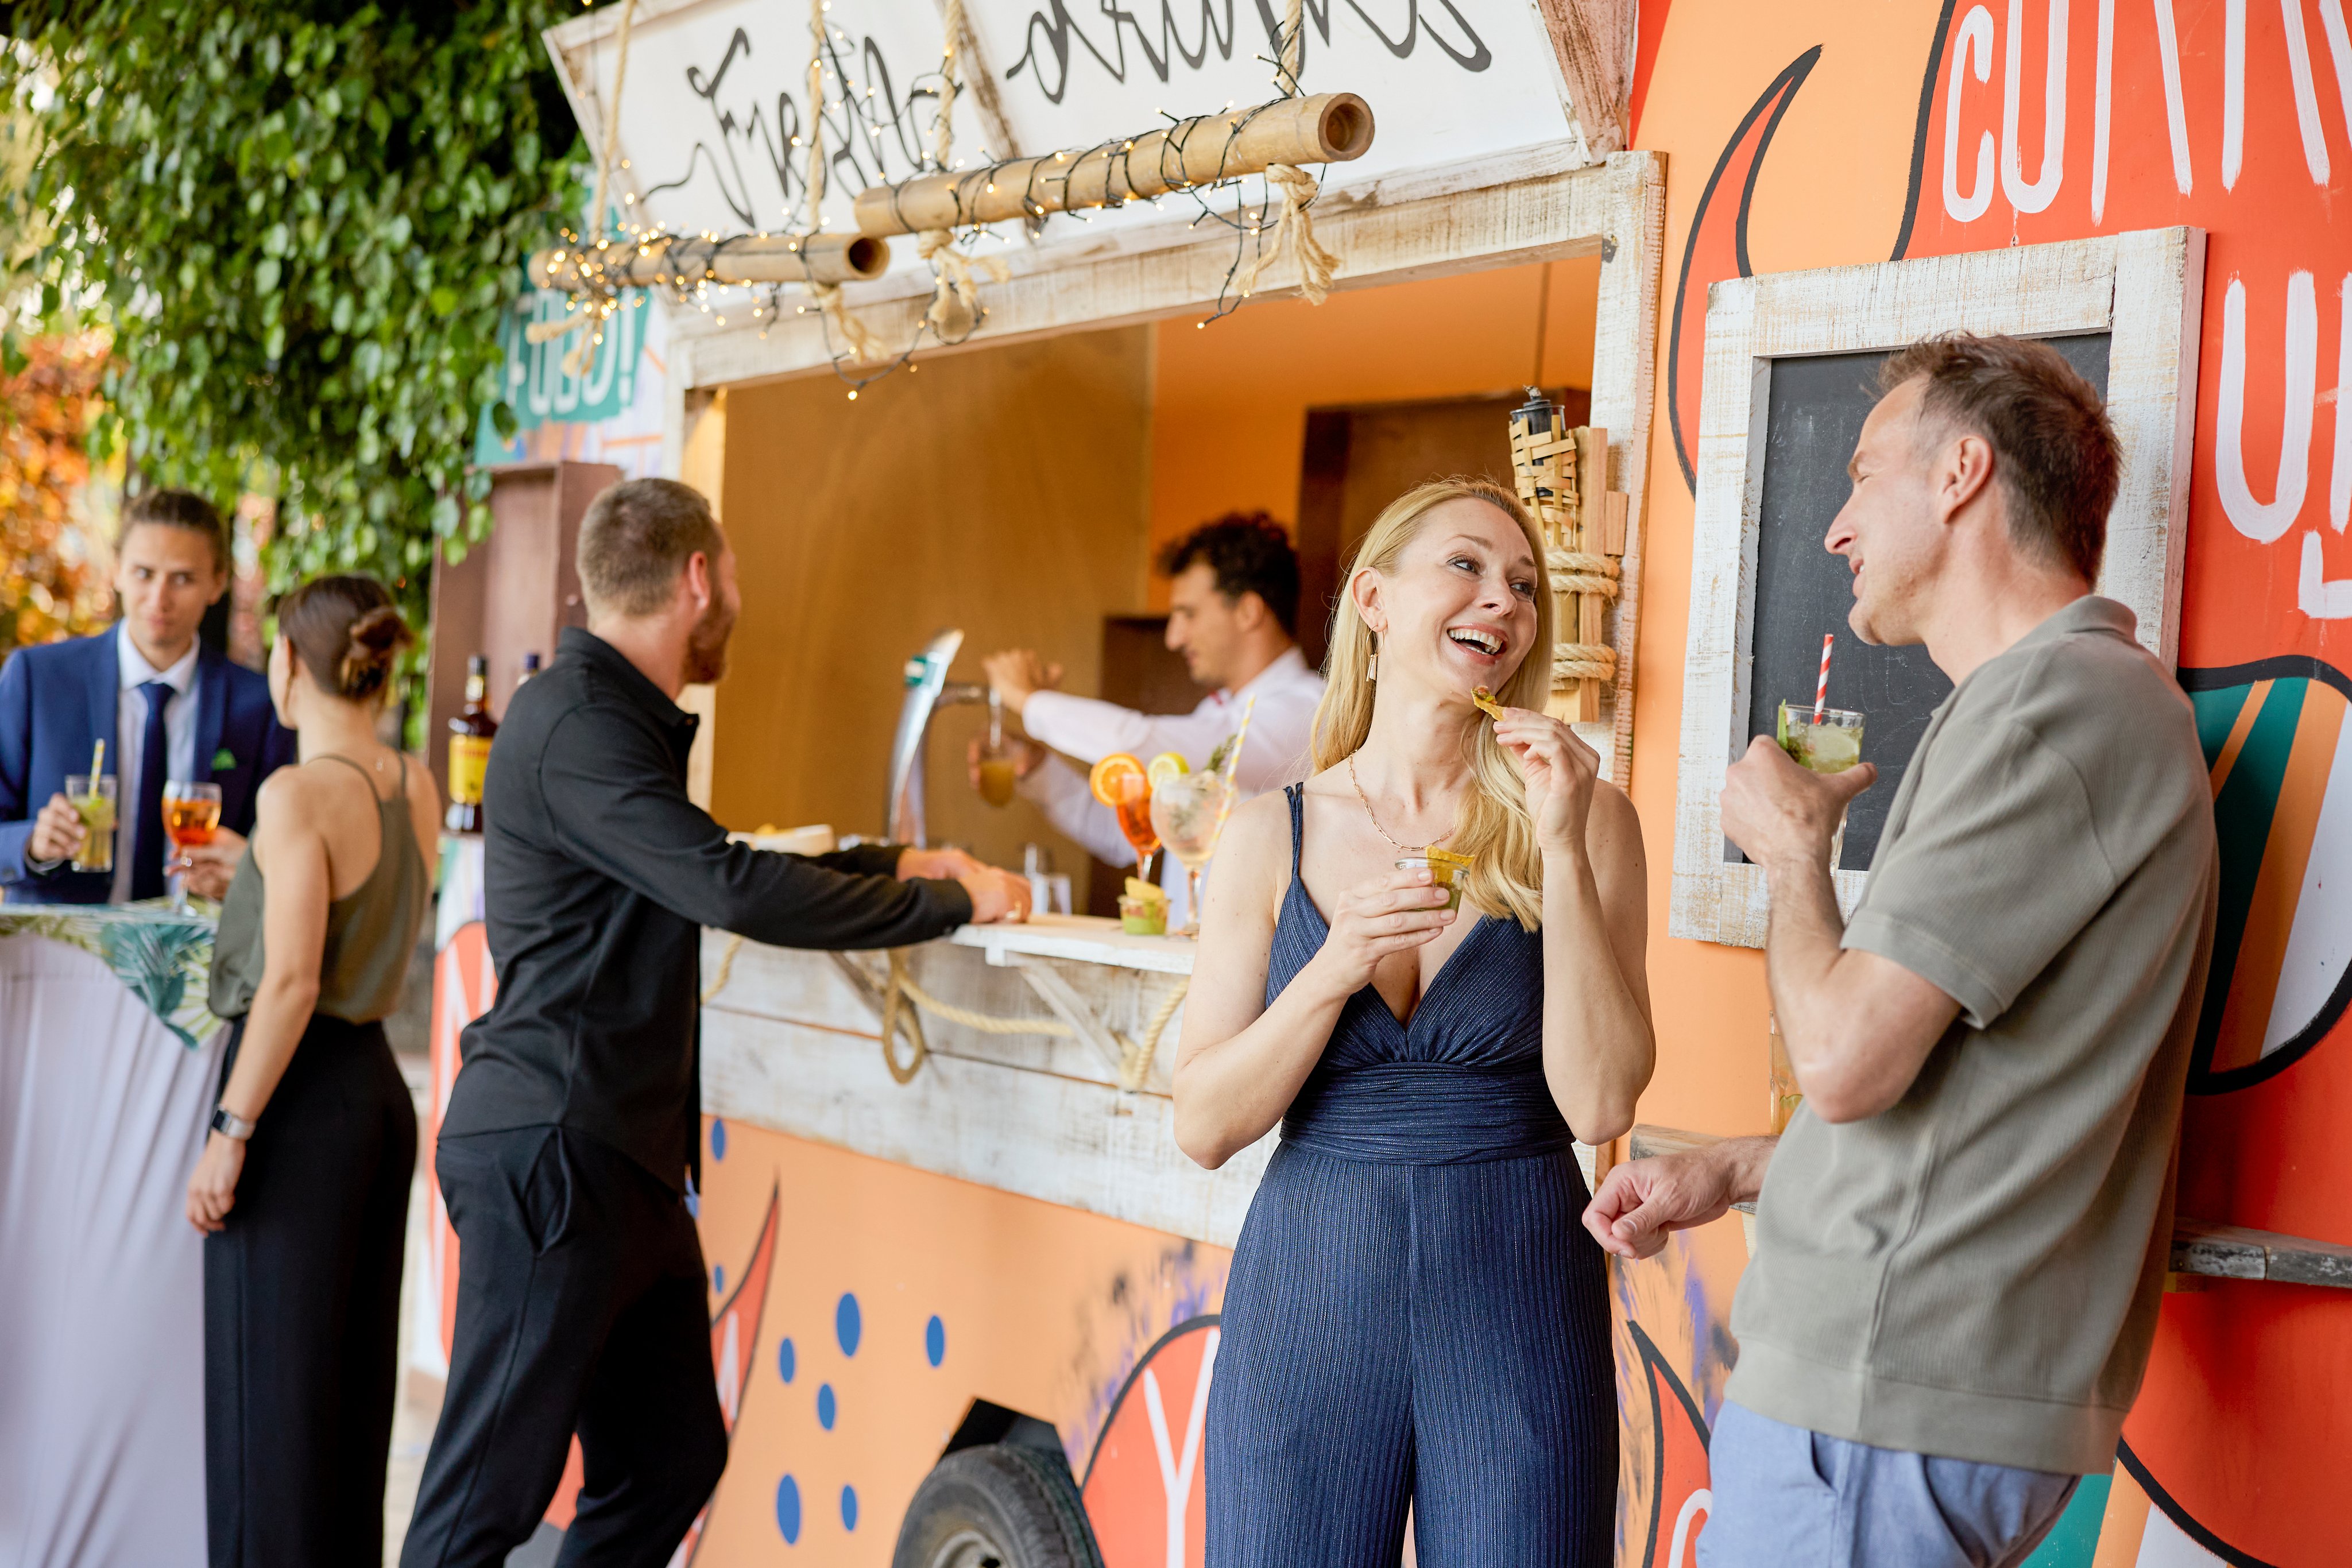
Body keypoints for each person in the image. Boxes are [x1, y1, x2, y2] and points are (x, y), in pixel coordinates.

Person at [1583, 336, 2218, 1568]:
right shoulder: (2045, 703)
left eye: (1861, 474)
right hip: (1886, 1401)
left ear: (1960, 474)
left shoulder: (2056, 706)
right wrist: (1729, 1169)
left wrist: (1787, 851)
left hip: (1882, 1403)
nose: (1832, 529)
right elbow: (1961, 1114)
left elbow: (1843, 1061)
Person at [400, 479, 1032, 1567]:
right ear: (700, 578)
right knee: (481, 1505)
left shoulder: (615, 722)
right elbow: (729, 888)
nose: (739, 595)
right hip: (556, 1146)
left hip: (618, 1159)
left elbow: (712, 860)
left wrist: (890, 863)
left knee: (671, 1457)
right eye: (734, 573)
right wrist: (948, 899)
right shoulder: (580, 722)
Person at [1175, 477, 1654, 1565]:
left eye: (1524, 584)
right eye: (1469, 566)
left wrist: (1565, 843)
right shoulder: (1268, 834)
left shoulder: (1585, 819)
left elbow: (1602, 1099)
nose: (1504, 600)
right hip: (1313, 1283)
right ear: (1376, 601)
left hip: (1518, 1277)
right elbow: (1202, 1124)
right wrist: (1333, 965)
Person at [184, 575, 438, 1565]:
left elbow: (291, 982)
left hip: (296, 1108)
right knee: (345, 1403)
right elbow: (364, 915)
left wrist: (229, 1132)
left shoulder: (295, 793)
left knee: (267, 1417)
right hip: (376, 1098)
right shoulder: (409, 782)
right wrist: (260, 861)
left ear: (290, 664)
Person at [977, 512, 1324, 928]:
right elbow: (1124, 833)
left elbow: (1143, 740)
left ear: (1249, 611)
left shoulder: (1305, 710)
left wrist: (1029, 700)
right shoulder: (1213, 715)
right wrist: (1036, 767)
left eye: (1188, 613)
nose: (1174, 637)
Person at [0, 489, 293, 903]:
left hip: (198, 954)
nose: (160, 598)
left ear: (218, 583)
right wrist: (31, 843)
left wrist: (244, 880)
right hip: (59, 952)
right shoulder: (38, 679)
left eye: (183, 578)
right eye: (143, 573)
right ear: (116, 570)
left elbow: (278, 853)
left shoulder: (259, 705)